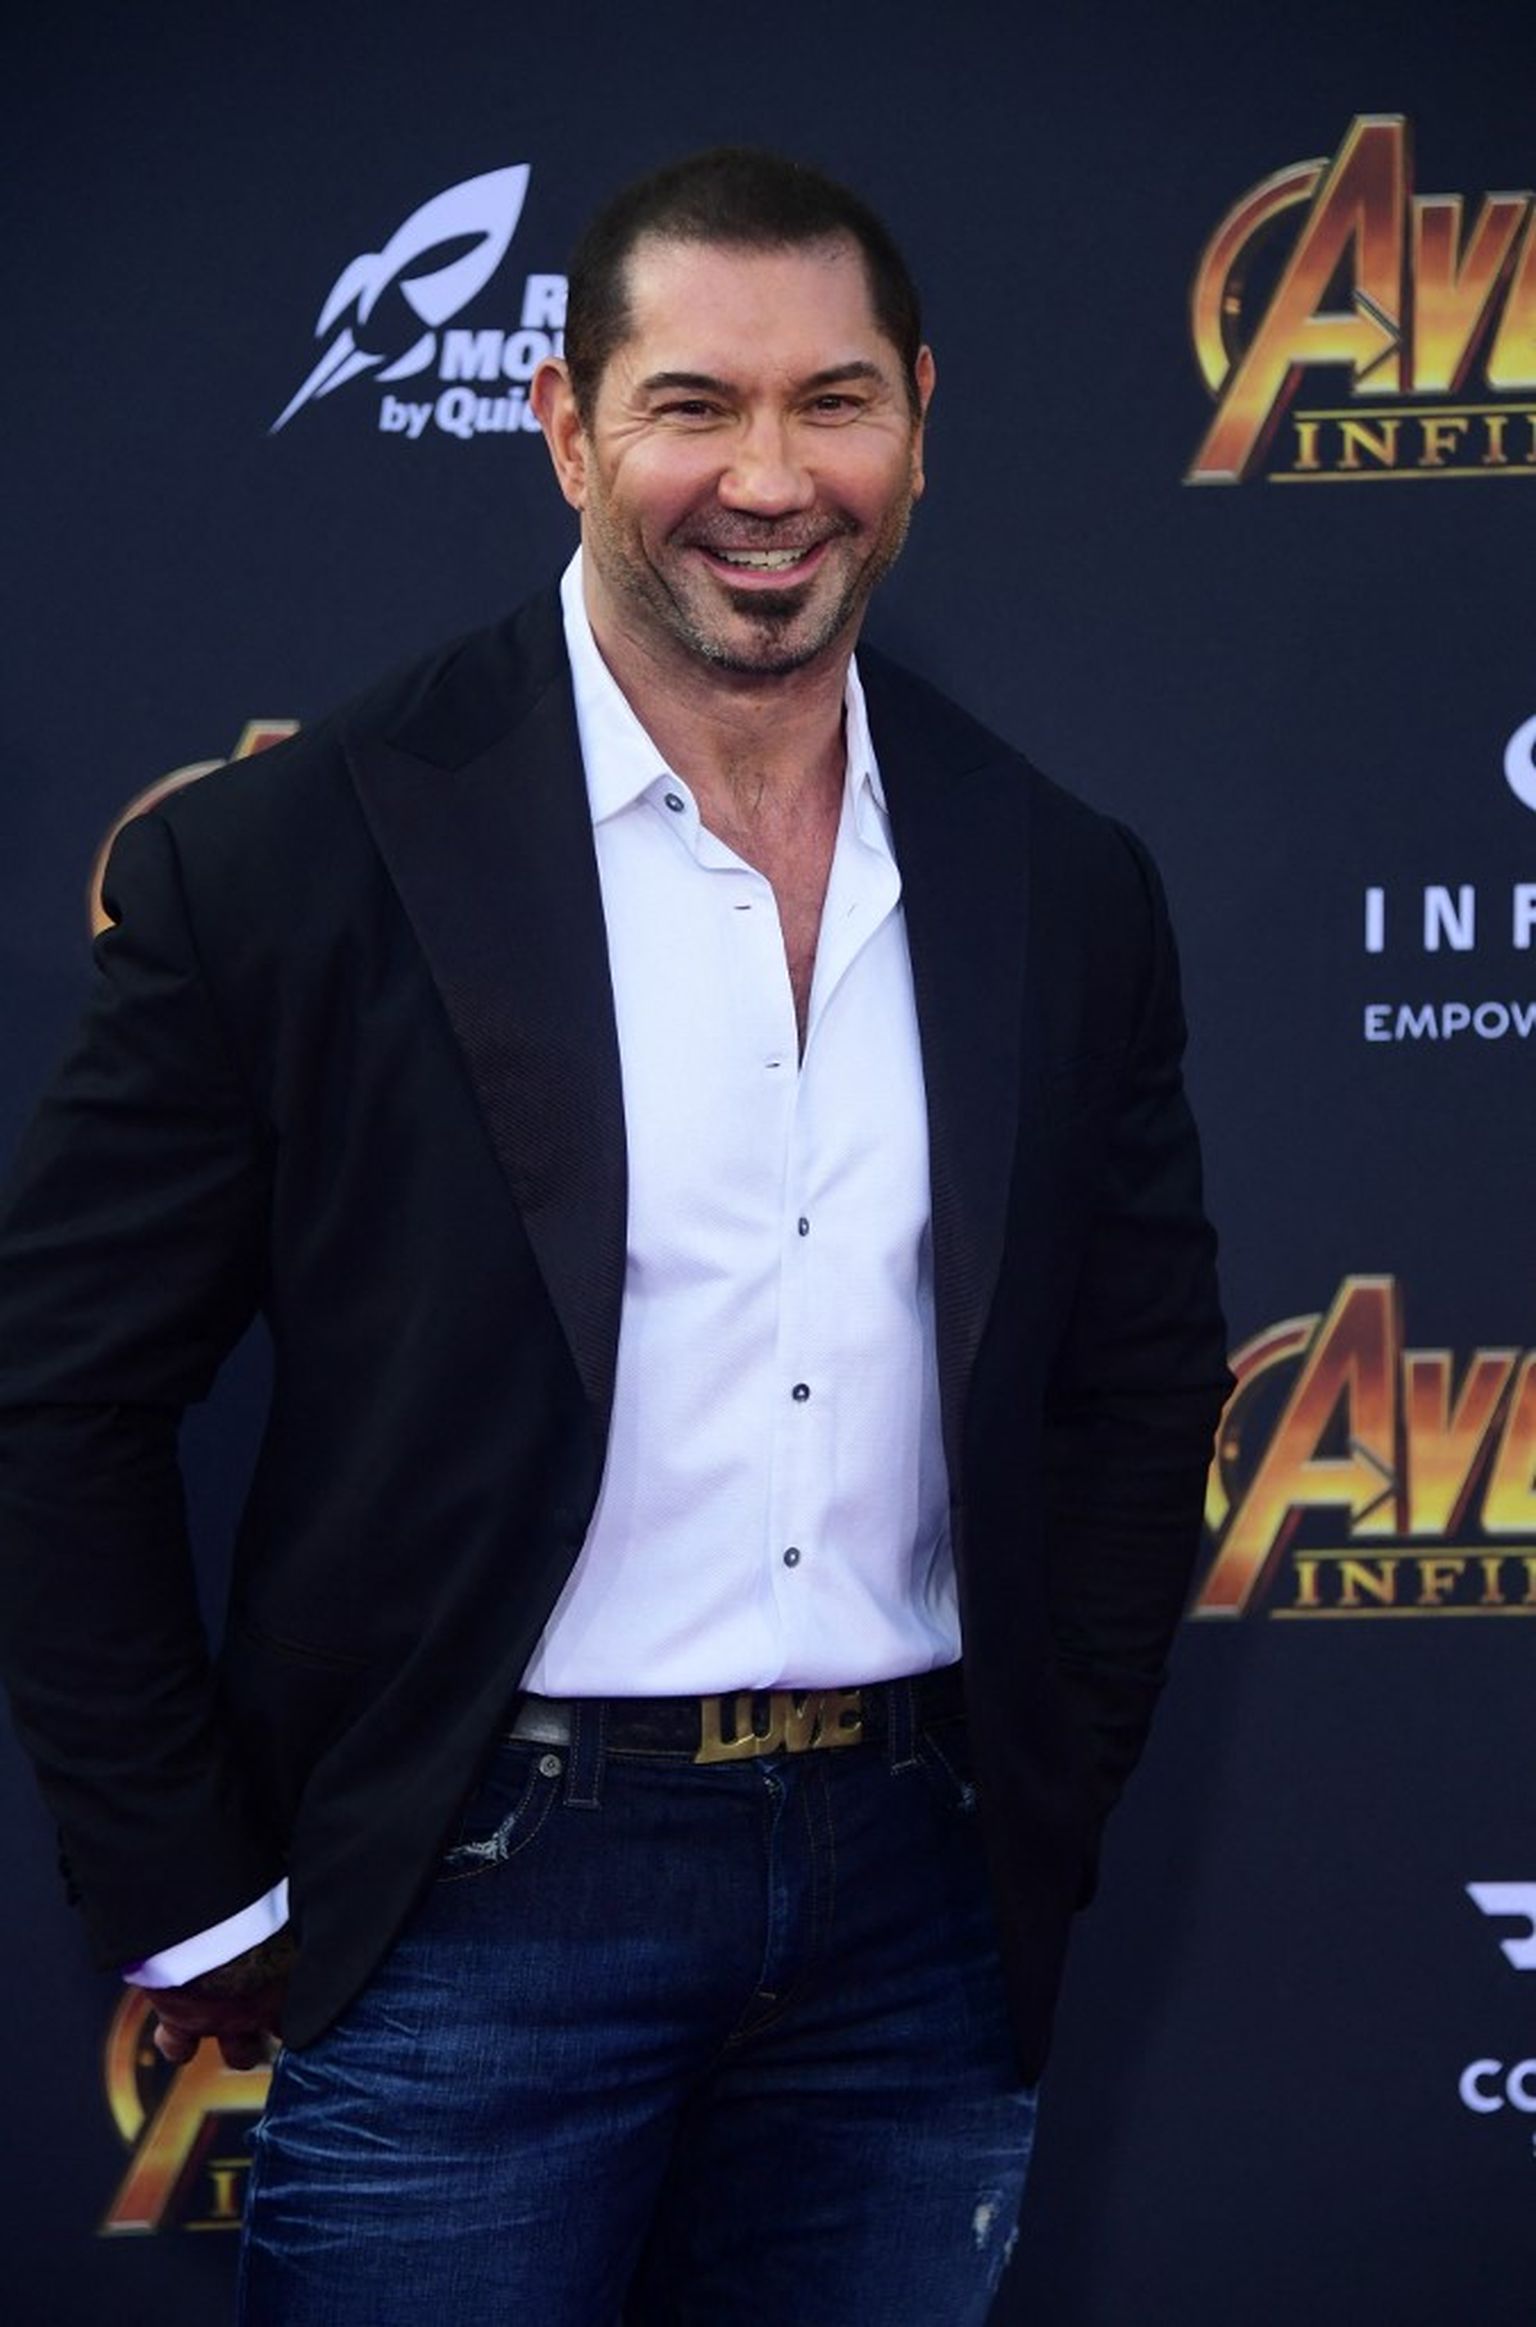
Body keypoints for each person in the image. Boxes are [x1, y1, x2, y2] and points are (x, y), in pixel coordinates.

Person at [0, 147, 1228, 2322]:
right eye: (693, 405)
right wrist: (188, 1887)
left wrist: (1042, 1779)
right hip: (471, 1898)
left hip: (918, 1919)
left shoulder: (1059, 876)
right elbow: (56, 1394)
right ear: (566, 427)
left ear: (921, 422)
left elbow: (1136, 1387)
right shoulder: (289, 859)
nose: (770, 478)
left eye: (833, 401)